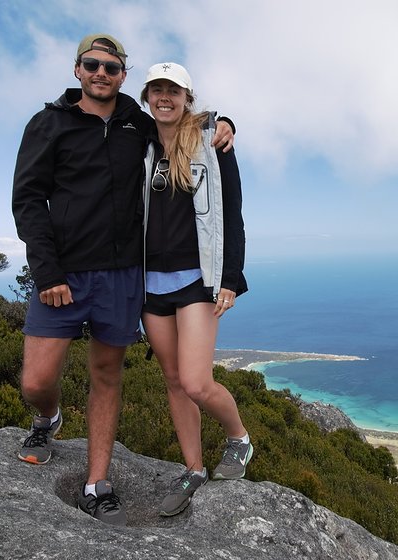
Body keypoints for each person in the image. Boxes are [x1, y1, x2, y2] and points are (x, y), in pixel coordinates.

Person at [11, 34, 235, 526]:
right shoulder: (48, 123)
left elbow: (182, 121)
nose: (101, 73)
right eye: (92, 64)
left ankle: (97, 484)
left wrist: (224, 124)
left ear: (122, 77)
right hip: (61, 274)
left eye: (111, 68)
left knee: (107, 375)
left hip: (121, 276)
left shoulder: (137, 121)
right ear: (77, 69)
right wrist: (47, 270)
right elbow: (27, 200)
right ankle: (46, 418)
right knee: (36, 380)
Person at [139, 62, 251, 516]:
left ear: (188, 98)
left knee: (196, 382)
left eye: (174, 90)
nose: (165, 97)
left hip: (196, 280)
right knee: (173, 381)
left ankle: (238, 439)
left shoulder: (212, 143)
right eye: (157, 90)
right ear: (147, 97)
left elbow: (232, 214)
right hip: (149, 283)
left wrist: (230, 280)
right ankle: (193, 469)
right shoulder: (139, 143)